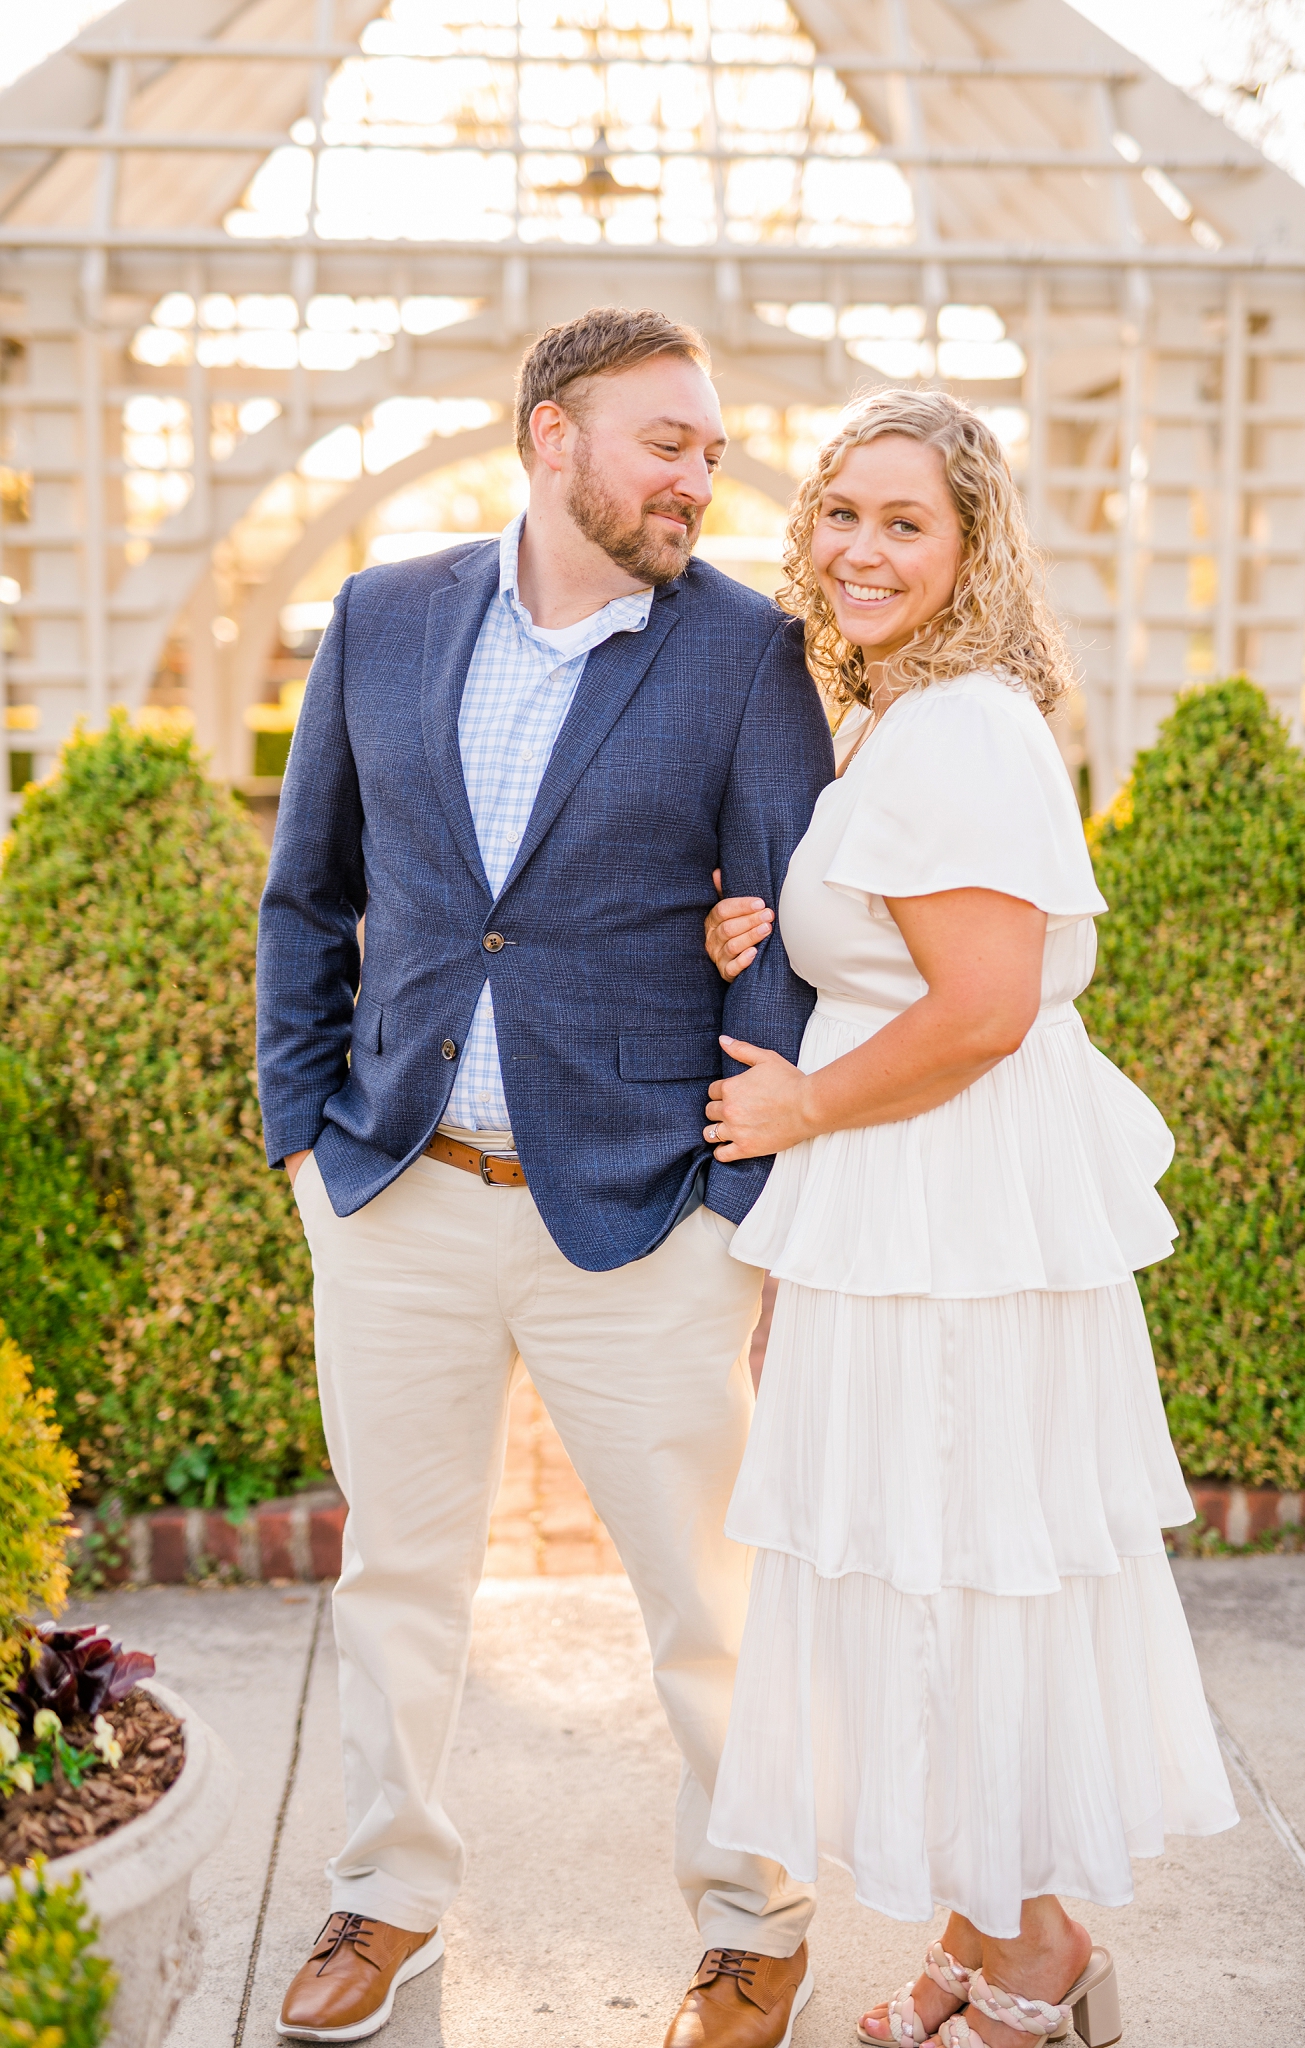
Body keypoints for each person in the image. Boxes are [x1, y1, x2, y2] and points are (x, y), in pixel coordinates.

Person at [255, 306, 834, 2046]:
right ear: (551, 435)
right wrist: (304, 1138)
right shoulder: (380, 616)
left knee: (703, 1602)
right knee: (396, 1577)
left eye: (709, 451)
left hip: (643, 1213)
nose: (698, 479)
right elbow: (307, 895)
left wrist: (732, 1208)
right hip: (397, 1188)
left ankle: (753, 1918)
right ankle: (383, 1894)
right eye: (667, 443)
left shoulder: (745, 651)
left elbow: (785, 939)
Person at [700, 389, 1238, 2048]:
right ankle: (988, 1917)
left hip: (942, 1213)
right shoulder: (902, 713)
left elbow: (987, 1006)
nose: (859, 550)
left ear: (971, 547)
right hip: (912, 1195)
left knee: (942, 1564)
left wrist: (798, 1107)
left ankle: (1032, 1954)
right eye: (840, 513)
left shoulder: (957, 730)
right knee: (932, 1564)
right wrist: (765, 934)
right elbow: (906, 949)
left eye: (903, 523)